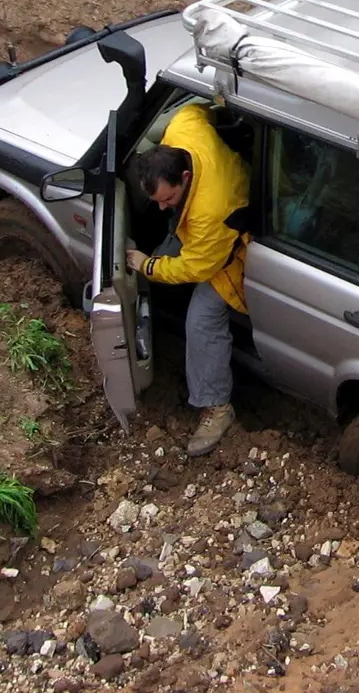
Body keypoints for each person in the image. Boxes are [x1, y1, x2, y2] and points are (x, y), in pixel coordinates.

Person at [126, 103, 251, 456]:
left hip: (233, 246)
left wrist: (148, 266)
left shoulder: (211, 212)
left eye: (168, 199)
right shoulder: (183, 128)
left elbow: (195, 269)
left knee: (202, 320)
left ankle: (217, 406)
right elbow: (198, 108)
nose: (163, 207)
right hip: (220, 205)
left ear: (184, 177)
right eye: (157, 200)